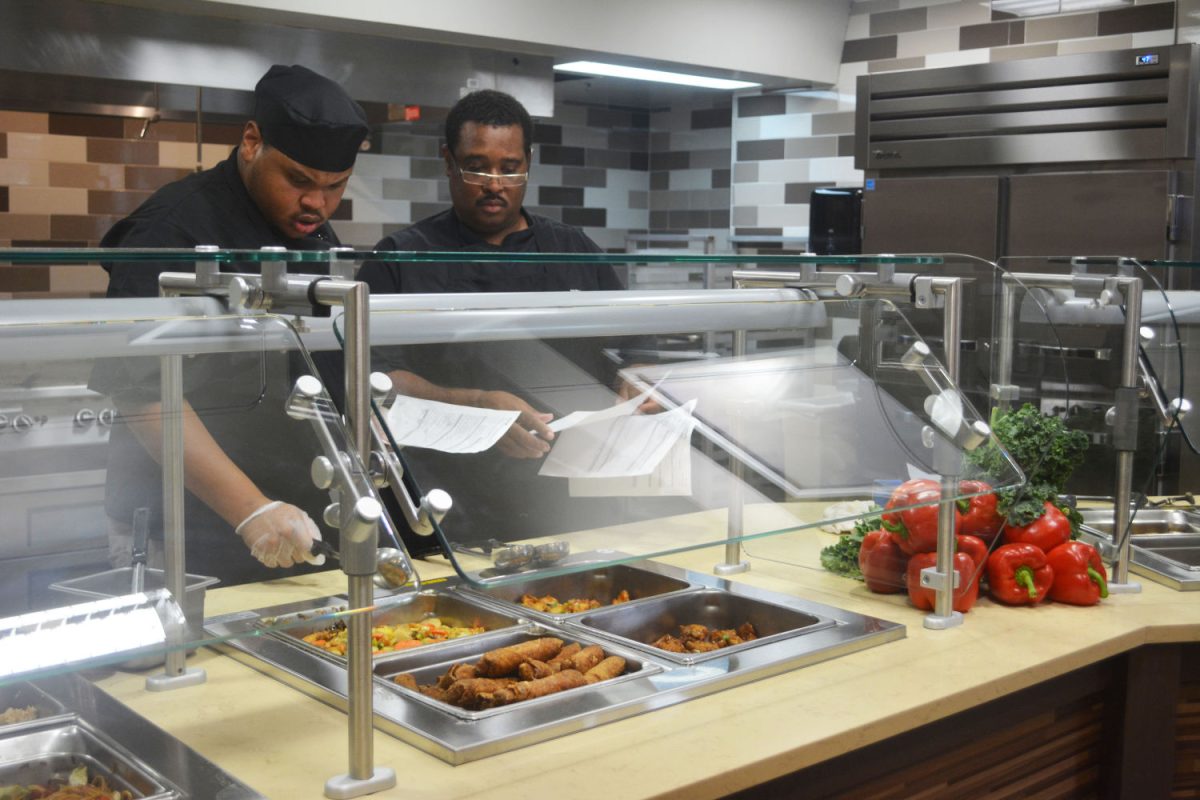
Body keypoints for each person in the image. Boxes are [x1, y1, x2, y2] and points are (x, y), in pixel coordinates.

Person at [94, 64, 370, 585]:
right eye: (299, 180)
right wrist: (251, 510)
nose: (317, 203)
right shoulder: (171, 228)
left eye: (336, 186)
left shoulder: (309, 232)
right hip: (180, 523)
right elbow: (142, 393)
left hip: (288, 512)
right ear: (251, 141)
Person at [356, 89, 632, 550]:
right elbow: (375, 380)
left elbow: (632, 349)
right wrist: (478, 404)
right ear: (447, 161)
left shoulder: (574, 251)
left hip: (568, 504)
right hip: (443, 506)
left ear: (528, 162)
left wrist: (636, 379)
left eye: (509, 169)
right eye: (476, 166)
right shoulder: (400, 258)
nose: (494, 184)